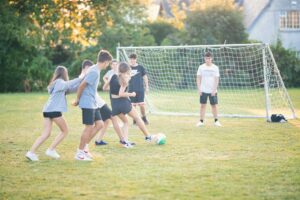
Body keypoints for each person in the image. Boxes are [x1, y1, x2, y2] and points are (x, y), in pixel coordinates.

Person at [26, 66, 86, 161]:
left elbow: (71, 89)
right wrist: (81, 78)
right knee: (65, 131)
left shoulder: (57, 84)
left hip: (47, 110)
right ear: (64, 73)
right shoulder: (59, 82)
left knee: (46, 134)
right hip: (53, 111)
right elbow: (68, 84)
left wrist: (82, 83)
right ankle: (51, 150)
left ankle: (31, 152)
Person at [81, 59, 131, 148]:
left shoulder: (94, 73)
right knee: (112, 118)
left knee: (106, 121)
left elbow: (104, 88)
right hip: (97, 102)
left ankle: (98, 140)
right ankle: (122, 140)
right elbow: (103, 88)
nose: (111, 65)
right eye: (111, 63)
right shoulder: (91, 74)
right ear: (85, 68)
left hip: (98, 101)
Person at [72, 50, 112, 161]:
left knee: (99, 124)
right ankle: (79, 153)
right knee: (88, 127)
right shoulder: (94, 71)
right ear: (105, 62)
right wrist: (78, 100)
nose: (108, 65)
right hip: (87, 102)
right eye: (108, 63)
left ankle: (84, 148)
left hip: (93, 103)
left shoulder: (95, 69)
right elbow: (81, 86)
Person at [110, 62, 153, 143]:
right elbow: (121, 93)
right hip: (123, 103)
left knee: (126, 122)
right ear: (127, 70)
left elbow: (110, 90)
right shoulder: (124, 79)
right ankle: (148, 136)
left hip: (114, 104)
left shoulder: (113, 77)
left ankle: (125, 141)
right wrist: (131, 94)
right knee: (137, 118)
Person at [196, 52, 221, 127]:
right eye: (206, 58)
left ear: (211, 58)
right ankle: (201, 121)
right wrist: (199, 89)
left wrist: (214, 89)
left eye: (209, 58)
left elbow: (217, 79)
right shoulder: (201, 67)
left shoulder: (215, 67)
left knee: (214, 106)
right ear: (204, 58)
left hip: (212, 91)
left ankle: (216, 121)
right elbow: (198, 78)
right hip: (203, 90)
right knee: (202, 105)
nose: (208, 60)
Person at [128, 53, 149, 125]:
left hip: (140, 89)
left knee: (142, 105)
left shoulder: (140, 67)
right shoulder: (128, 68)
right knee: (133, 106)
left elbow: (145, 77)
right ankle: (135, 119)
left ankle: (144, 117)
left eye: (133, 59)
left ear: (136, 59)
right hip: (131, 90)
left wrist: (147, 87)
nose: (132, 60)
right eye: (131, 59)